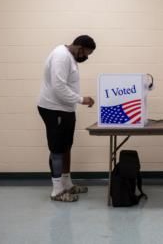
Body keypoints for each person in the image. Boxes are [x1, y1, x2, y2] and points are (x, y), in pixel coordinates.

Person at [37, 35, 96, 202]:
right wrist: (81, 99)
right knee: (57, 149)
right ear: (79, 48)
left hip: (65, 109)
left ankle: (67, 184)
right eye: (86, 53)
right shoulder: (61, 56)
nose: (86, 57)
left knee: (66, 146)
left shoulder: (68, 56)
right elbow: (58, 87)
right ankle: (57, 191)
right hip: (54, 109)